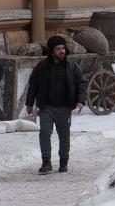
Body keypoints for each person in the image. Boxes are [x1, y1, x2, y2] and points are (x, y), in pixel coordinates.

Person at [25, 35, 85, 174]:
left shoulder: (72, 67)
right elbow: (33, 85)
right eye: (58, 49)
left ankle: (63, 162)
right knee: (44, 134)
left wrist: (81, 100)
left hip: (64, 107)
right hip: (46, 107)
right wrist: (29, 103)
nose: (62, 51)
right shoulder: (42, 67)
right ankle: (46, 162)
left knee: (64, 136)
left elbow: (80, 85)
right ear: (52, 51)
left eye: (63, 48)